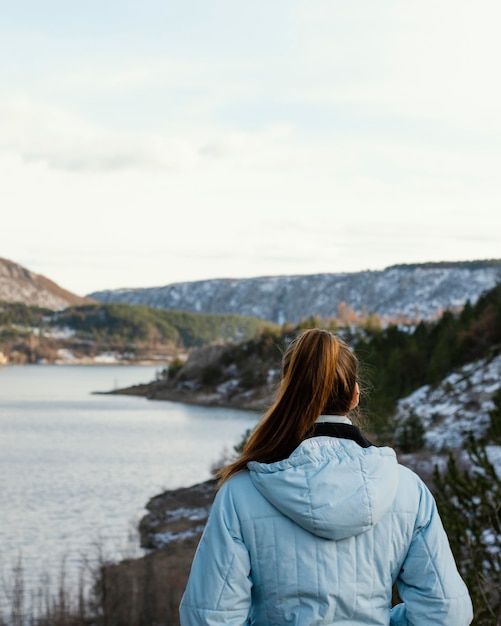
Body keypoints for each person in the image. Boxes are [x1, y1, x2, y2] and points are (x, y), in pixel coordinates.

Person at [179, 328, 473, 625]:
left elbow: (209, 619)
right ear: (355, 396)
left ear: (286, 392)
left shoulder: (240, 493)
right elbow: (446, 614)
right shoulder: (408, 489)